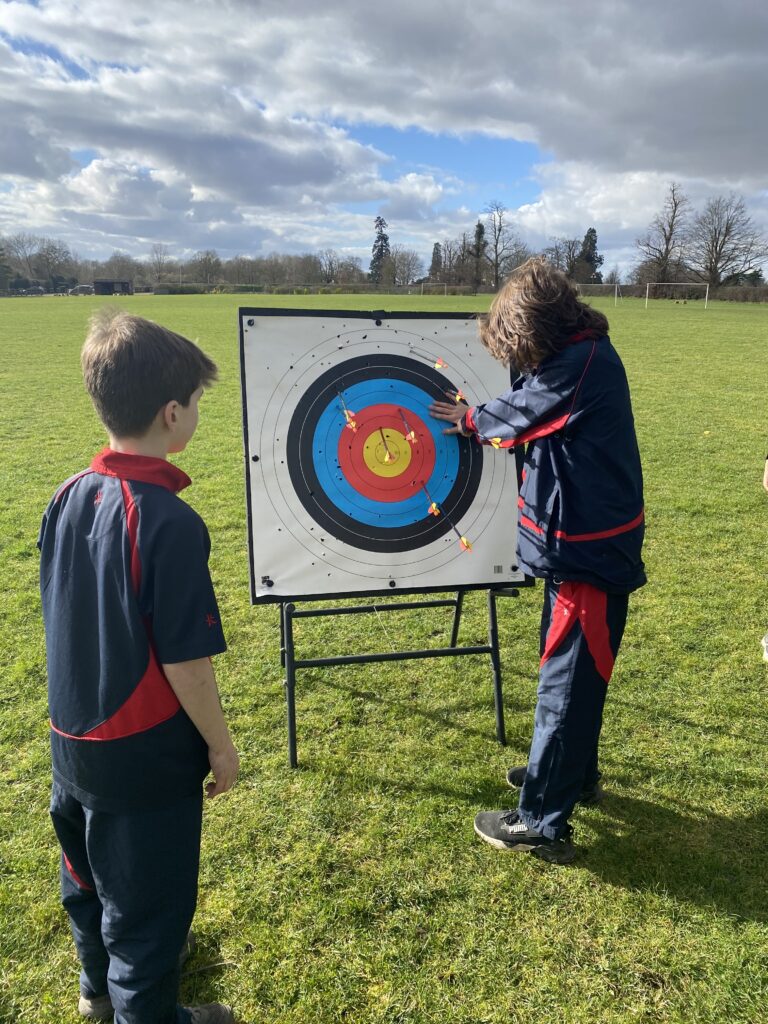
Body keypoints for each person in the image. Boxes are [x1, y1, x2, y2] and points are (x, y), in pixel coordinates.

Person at [38, 309, 239, 1022]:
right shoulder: (169, 522)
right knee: (149, 914)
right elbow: (187, 662)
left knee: (86, 882)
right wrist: (219, 745)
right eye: (198, 403)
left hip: (72, 749)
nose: (197, 415)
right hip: (145, 762)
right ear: (172, 412)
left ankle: (96, 992)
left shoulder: (65, 495)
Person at [430, 259, 646, 864]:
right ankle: (570, 778)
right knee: (574, 673)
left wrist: (472, 420)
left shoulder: (579, 366)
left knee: (567, 681)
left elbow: (518, 418)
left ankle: (541, 820)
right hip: (577, 545)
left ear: (536, 330)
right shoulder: (573, 351)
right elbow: (528, 394)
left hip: (589, 553)